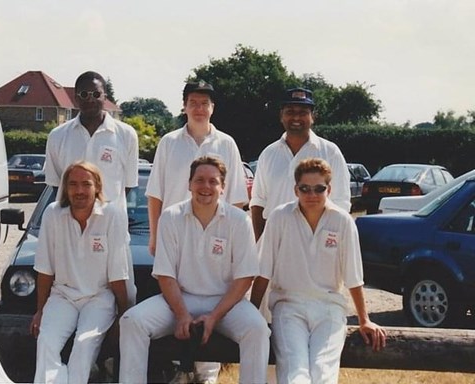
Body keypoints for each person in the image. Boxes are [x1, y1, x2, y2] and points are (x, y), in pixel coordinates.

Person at [120, 156, 270, 384]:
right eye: (199, 180)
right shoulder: (171, 217)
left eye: (213, 181)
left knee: (257, 329)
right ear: (189, 184)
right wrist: (181, 315)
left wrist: (214, 317)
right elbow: (165, 274)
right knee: (132, 321)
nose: (206, 187)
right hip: (180, 300)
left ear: (223, 187)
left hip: (226, 304)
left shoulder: (240, 220)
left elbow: (244, 278)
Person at [145, 80, 248, 382]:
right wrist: (154, 235)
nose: (199, 108)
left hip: (216, 236)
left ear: (213, 108)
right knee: (177, 303)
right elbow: (155, 194)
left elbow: (238, 199)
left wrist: (233, 242)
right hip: (176, 236)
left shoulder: (226, 143)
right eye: (193, 102)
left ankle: (207, 375)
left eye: (205, 103)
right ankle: (182, 368)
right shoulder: (169, 142)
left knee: (214, 300)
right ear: (185, 106)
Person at [250, 158, 386, 384]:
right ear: (296, 189)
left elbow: (353, 276)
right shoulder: (279, 217)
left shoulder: (342, 221)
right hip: (288, 306)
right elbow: (263, 272)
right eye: (305, 188)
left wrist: (365, 320)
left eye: (319, 188)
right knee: (295, 373)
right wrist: (252, 314)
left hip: (329, 308)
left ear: (329, 189)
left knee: (323, 373)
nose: (311, 194)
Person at [43, 70, 138, 305]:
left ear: (105, 96)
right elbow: (56, 187)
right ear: (75, 98)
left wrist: (104, 217)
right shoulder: (58, 136)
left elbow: (126, 187)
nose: (90, 99)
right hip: (69, 235)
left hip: (113, 233)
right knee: (68, 301)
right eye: (84, 94)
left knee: (123, 302)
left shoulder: (126, 135)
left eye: (96, 93)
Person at [30, 161, 130, 384]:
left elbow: (117, 273)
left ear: (97, 187)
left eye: (86, 184)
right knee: (46, 341)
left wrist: (122, 315)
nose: (80, 190)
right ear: (65, 188)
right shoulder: (53, 214)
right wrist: (40, 310)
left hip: (99, 297)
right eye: (73, 184)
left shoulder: (112, 215)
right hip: (62, 295)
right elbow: (45, 269)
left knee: (84, 344)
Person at [250, 87, 351, 241]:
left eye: (303, 112)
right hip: (275, 242)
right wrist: (260, 244)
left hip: (315, 242)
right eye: (290, 112)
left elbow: (341, 204)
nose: (296, 117)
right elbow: (258, 203)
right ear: (281, 116)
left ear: (313, 117)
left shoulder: (330, 152)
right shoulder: (268, 154)